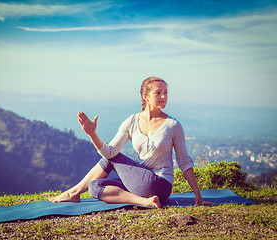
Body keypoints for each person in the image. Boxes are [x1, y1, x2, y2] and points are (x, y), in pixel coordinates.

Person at [49, 77, 214, 207]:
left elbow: (184, 160)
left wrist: (197, 196)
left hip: (160, 185)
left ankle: (73, 192)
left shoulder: (173, 125)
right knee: (95, 187)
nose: (164, 97)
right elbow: (109, 151)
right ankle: (144, 201)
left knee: (110, 158)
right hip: (140, 183)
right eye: (158, 93)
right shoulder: (131, 121)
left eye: (165, 92)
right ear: (145, 96)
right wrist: (92, 133)